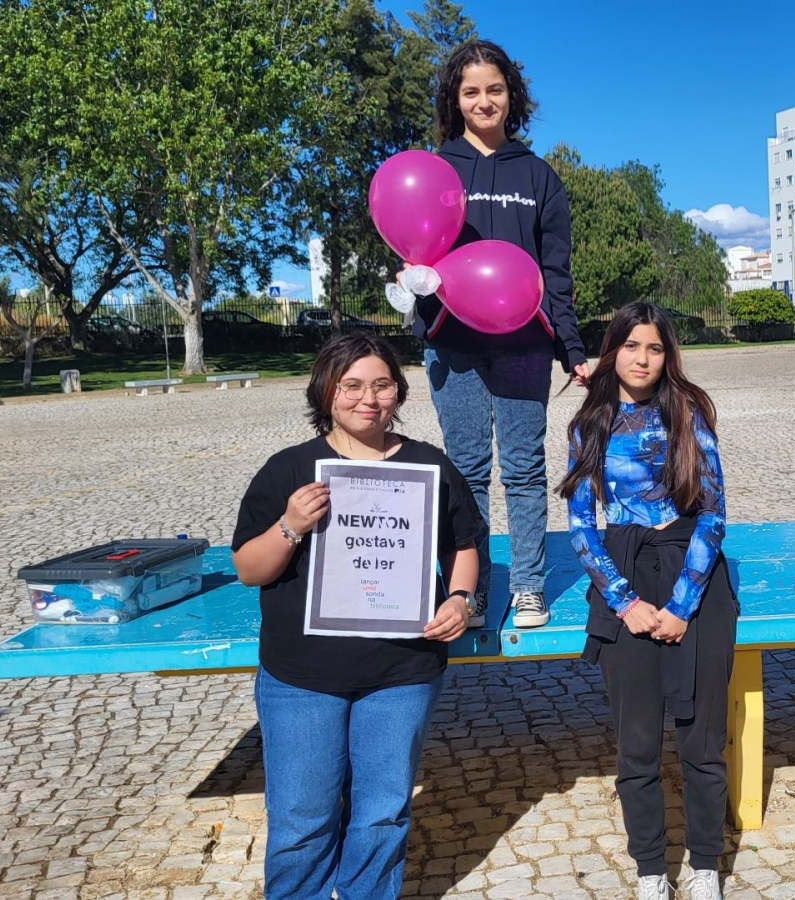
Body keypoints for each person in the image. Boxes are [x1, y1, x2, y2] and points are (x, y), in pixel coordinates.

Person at [231, 333, 483, 900]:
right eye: (352, 386)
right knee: (300, 820)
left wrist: (460, 599)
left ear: (399, 392)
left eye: (382, 385)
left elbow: (462, 546)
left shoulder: (429, 465)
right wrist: (291, 524)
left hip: (402, 673)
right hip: (302, 678)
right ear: (326, 390)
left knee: (382, 814)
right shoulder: (290, 469)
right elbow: (249, 569)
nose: (368, 399)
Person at [559, 302, 736, 900]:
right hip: (625, 569)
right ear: (612, 351)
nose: (642, 359)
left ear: (668, 355)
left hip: (693, 573)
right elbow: (581, 527)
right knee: (636, 745)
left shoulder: (688, 412)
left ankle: (705, 865)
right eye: (631, 346)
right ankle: (652, 872)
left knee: (701, 740)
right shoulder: (589, 424)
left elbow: (713, 514)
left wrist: (683, 606)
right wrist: (625, 602)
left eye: (654, 348)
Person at [413, 37, 590, 630]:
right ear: (455, 99)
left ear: (511, 96)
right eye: (471, 92)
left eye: (494, 89)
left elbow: (556, 273)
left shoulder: (538, 176)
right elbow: (417, 247)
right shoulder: (436, 170)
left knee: (523, 467)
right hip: (454, 345)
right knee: (465, 470)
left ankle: (529, 587)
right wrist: (413, 285)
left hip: (523, 345)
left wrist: (571, 348)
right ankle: (473, 591)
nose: (483, 101)